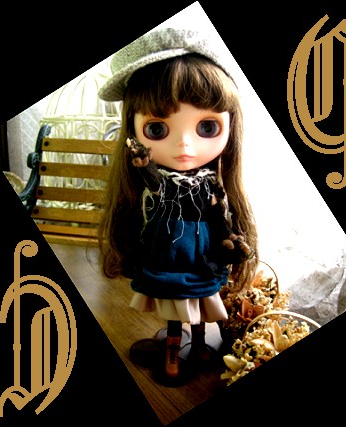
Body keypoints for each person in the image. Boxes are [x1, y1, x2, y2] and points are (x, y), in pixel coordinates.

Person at [97, 27, 259, 382]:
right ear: (133, 130)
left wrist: (230, 239)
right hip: (168, 249)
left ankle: (199, 344)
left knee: (200, 302)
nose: (185, 146)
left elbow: (220, 216)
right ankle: (173, 352)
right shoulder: (159, 184)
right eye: (157, 130)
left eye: (207, 128)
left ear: (230, 126)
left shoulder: (212, 185)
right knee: (175, 306)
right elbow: (152, 183)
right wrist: (144, 164)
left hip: (202, 252)